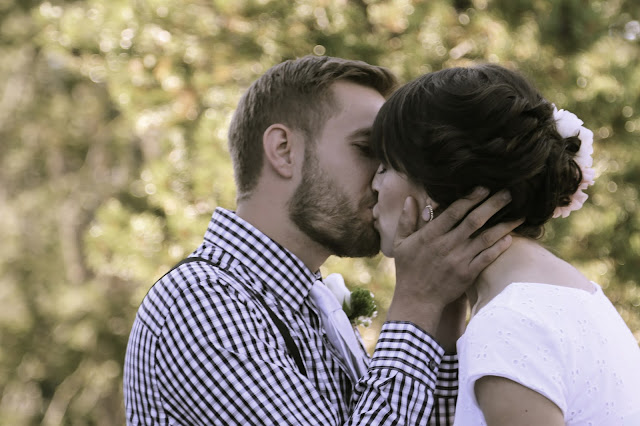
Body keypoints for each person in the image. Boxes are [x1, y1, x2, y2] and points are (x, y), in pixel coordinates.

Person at [123, 56, 520, 425]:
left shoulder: (311, 302)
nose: (384, 178)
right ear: (284, 150)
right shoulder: (201, 302)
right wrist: (416, 303)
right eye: (367, 149)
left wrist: (443, 312)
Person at [371, 63, 640, 425]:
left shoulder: (510, 324)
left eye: (386, 166)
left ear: (434, 188)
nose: (373, 185)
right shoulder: (569, 291)